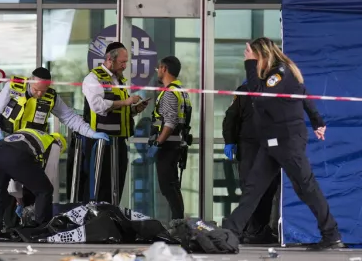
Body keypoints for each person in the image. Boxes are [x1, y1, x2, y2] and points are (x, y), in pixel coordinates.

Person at [222, 37, 344, 251]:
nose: (248, 58)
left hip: (287, 140)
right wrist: (317, 120)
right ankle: (230, 232)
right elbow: (304, 95)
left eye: (252, 56)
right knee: (253, 188)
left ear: (262, 56)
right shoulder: (274, 74)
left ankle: (331, 235)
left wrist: (249, 65)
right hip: (271, 142)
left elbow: (259, 95)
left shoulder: (280, 72)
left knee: (306, 187)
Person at [0, 67, 109, 229]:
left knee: (32, 193)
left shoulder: (50, 97)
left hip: (29, 154)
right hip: (6, 147)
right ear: (30, 81)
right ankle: (3, 230)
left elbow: (70, 118)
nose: (39, 94)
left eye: (43, 91)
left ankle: (28, 230)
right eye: (37, 90)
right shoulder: (14, 87)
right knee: (5, 193)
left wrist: (91, 133)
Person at [223, 78, 327, 244]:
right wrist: (229, 140)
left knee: (266, 188)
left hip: (270, 144)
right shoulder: (245, 89)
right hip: (251, 145)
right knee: (252, 187)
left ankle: (256, 229)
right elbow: (231, 116)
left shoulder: (277, 87)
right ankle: (248, 229)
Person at [71, 42, 147, 204]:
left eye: (126, 62)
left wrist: (133, 110)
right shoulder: (93, 78)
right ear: (109, 59)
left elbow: (118, 111)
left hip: (118, 141)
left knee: (116, 184)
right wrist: (126, 102)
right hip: (99, 141)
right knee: (98, 185)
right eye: (122, 62)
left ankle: (112, 220)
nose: (125, 66)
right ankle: (93, 221)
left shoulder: (119, 81)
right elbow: (97, 106)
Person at [0, 127, 68, 234]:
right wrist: (40, 201)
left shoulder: (29, 133)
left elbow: (15, 177)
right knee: (45, 190)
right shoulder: (55, 144)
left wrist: (19, 200)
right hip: (16, 156)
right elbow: (49, 177)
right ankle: (41, 229)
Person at [146, 56, 192, 222]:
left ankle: (178, 222)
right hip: (175, 144)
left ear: (164, 68)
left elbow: (170, 122)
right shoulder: (180, 91)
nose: (158, 71)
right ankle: (178, 221)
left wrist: (158, 143)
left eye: (159, 68)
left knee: (168, 186)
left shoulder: (169, 93)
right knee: (172, 186)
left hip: (167, 145)